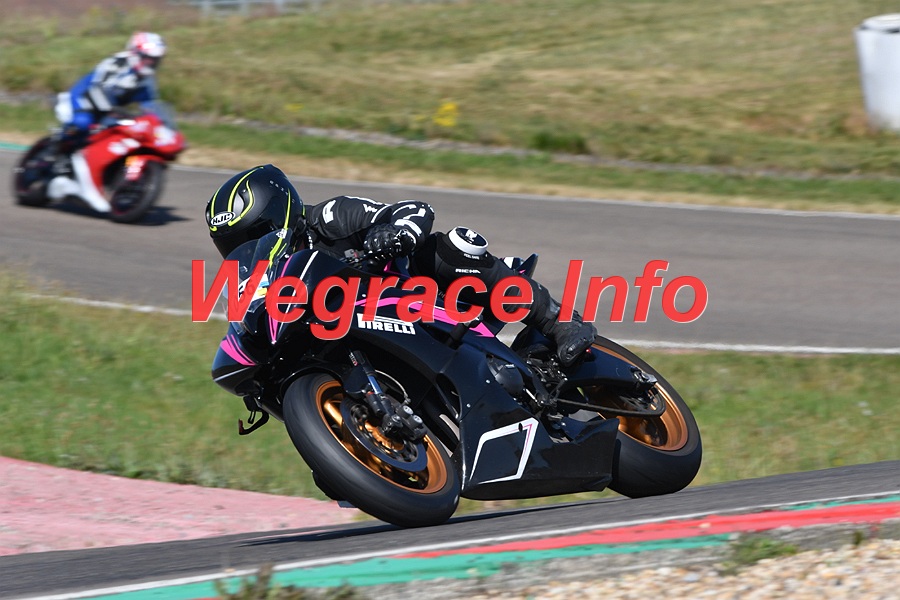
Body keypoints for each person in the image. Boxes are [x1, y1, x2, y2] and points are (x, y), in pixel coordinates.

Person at [205, 164, 597, 370]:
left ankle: (558, 321)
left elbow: (413, 209)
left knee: (450, 247)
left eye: (252, 235)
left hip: (418, 296)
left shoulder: (330, 216)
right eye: (234, 246)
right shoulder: (263, 283)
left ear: (278, 214)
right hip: (367, 336)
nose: (245, 250)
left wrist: (395, 234)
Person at [53, 32, 167, 154]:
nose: (151, 63)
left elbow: (150, 105)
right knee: (82, 123)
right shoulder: (117, 63)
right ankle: (55, 148)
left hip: (112, 110)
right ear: (135, 54)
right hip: (85, 97)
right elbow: (97, 87)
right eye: (148, 59)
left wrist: (159, 124)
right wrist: (115, 112)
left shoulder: (148, 80)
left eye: (155, 60)